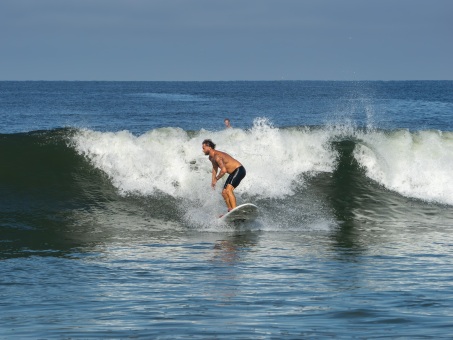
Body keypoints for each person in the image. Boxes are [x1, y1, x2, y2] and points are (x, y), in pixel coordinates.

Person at [202, 139, 246, 213]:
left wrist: (216, 179)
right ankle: (230, 210)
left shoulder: (217, 156)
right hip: (233, 173)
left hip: (239, 170)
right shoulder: (211, 158)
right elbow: (214, 168)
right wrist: (213, 181)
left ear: (209, 147)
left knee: (229, 190)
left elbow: (224, 170)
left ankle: (235, 209)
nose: (203, 150)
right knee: (224, 193)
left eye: (203, 148)